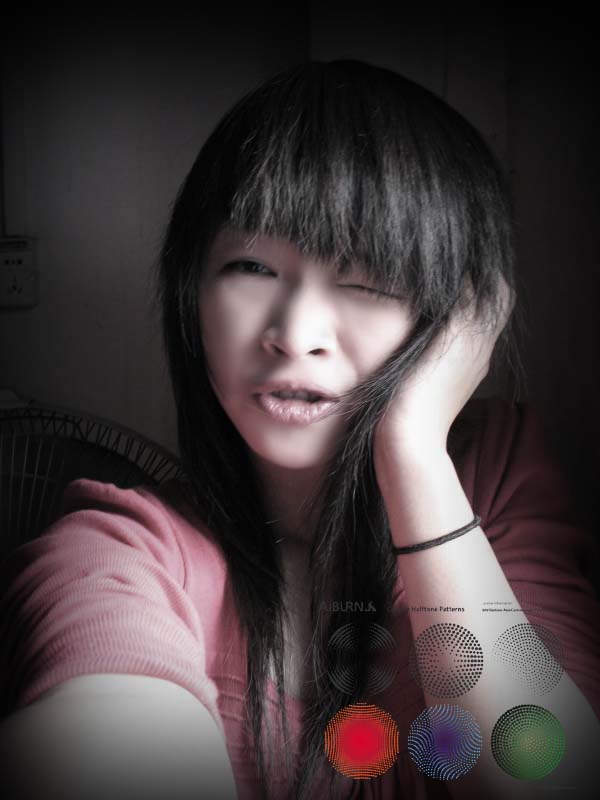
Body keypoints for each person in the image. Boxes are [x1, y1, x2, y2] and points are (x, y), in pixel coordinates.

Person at [1, 60, 599, 800]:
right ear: (193, 296)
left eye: (368, 278)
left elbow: (551, 771)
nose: (295, 334)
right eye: (252, 266)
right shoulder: (124, 549)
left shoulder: (496, 480)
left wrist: (412, 451)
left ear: (457, 318)